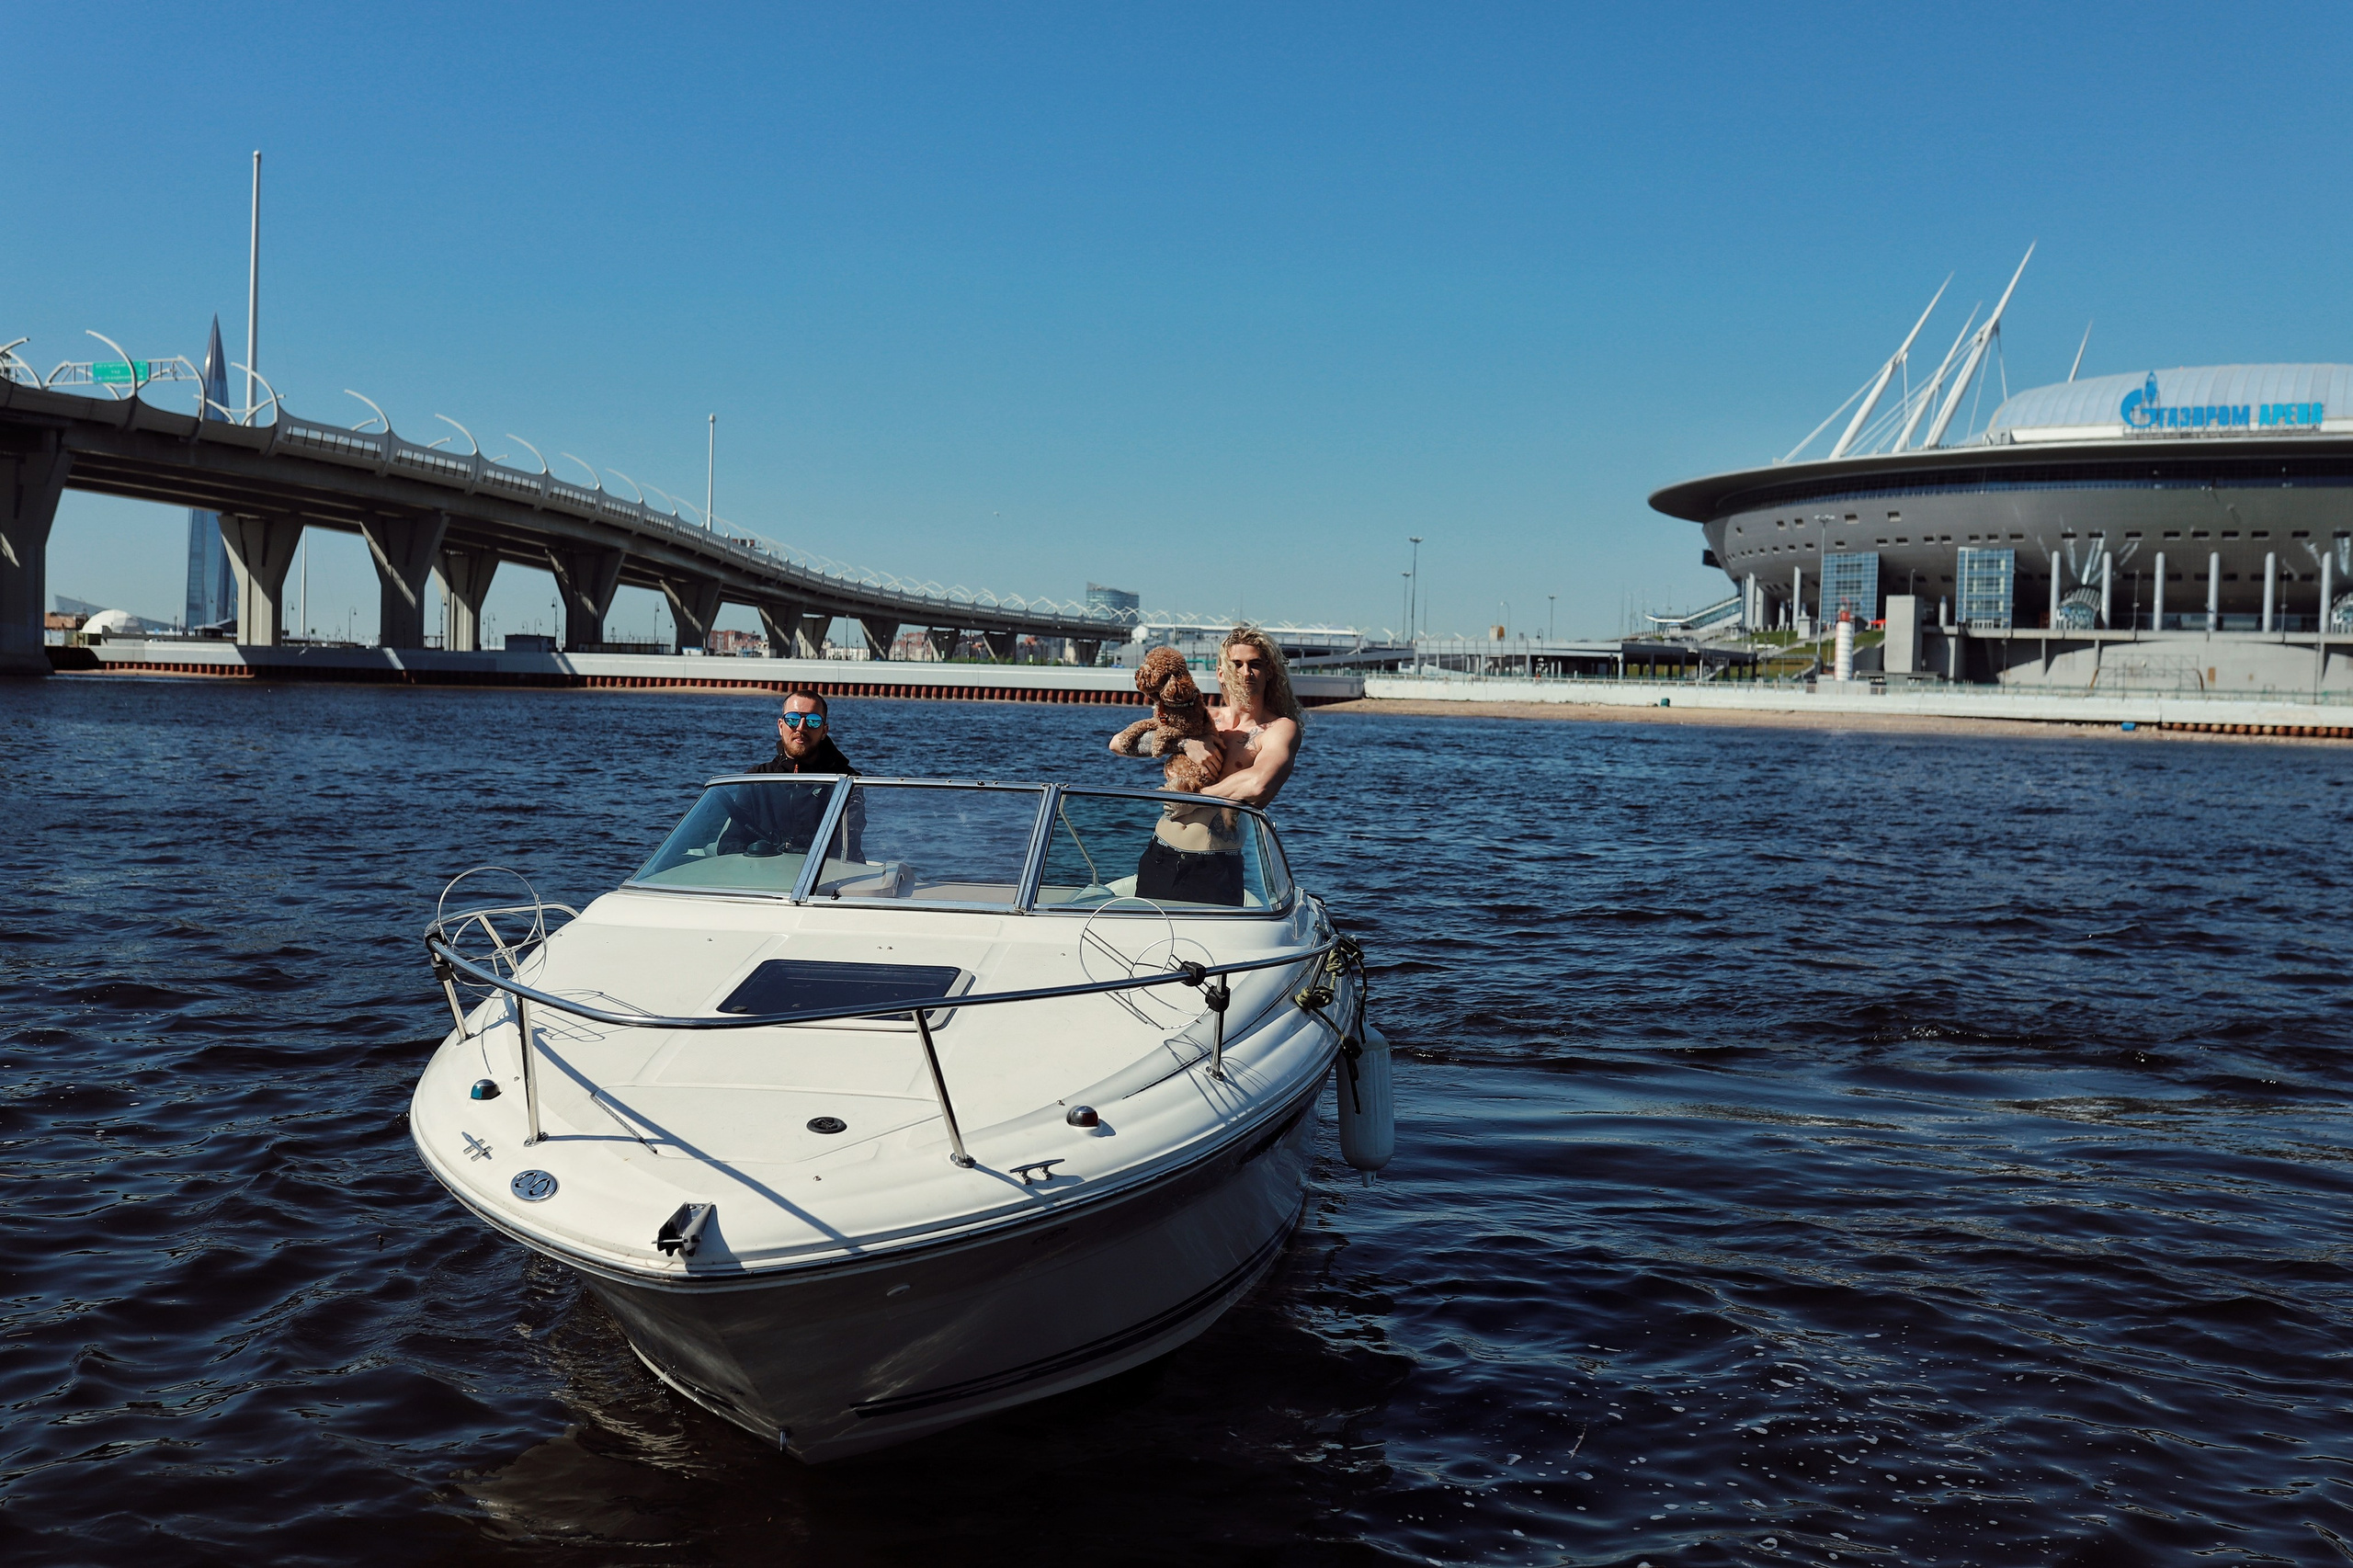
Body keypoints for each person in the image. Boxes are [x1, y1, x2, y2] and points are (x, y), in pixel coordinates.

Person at [1133, 627, 1303, 906]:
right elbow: (1119, 743)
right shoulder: (1203, 718)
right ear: (1221, 673)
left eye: (1255, 664)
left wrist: (1194, 800)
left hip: (1214, 866)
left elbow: (1259, 782)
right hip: (1159, 854)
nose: (1245, 673)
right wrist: (1185, 744)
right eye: (1236, 664)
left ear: (1269, 671)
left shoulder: (1279, 730)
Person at [727, 690, 862, 859]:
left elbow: (846, 843)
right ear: (780, 726)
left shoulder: (847, 781)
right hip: (762, 874)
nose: (801, 727)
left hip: (825, 877)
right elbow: (730, 842)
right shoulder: (756, 779)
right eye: (792, 719)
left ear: (824, 731)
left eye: (813, 721)